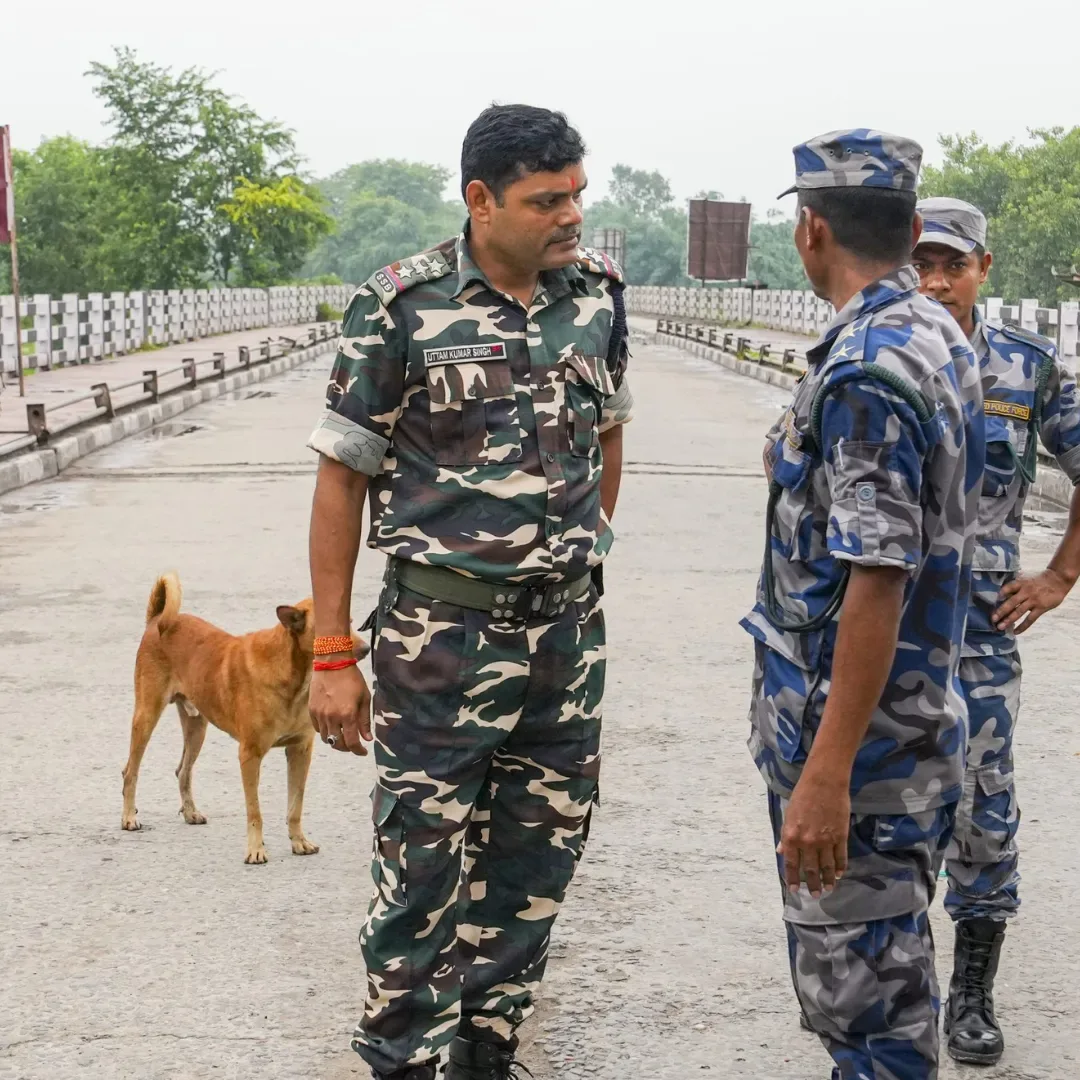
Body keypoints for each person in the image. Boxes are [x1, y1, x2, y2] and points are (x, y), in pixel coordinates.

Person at [304, 104, 633, 1080]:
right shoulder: (401, 306)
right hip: (438, 639)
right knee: (422, 866)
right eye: (546, 200)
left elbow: (609, 433)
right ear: (480, 201)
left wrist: (581, 542)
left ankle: (489, 1048)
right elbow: (341, 478)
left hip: (566, 642)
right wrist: (331, 650)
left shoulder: (597, 300)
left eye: (577, 194)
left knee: (541, 854)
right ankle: (403, 1058)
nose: (569, 216)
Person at [743, 130, 984, 1079]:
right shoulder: (930, 332)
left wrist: (827, 775)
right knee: (884, 985)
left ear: (809, 231)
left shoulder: (864, 372)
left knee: (870, 1018)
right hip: (908, 720)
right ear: (913, 227)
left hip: (866, 745)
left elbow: (877, 579)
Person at [913, 197, 1080, 1065]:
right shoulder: (872, 350)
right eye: (922, 264)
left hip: (980, 628)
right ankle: (897, 984)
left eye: (954, 265)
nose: (937, 283)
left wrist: (1058, 575)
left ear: (984, 267)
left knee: (982, 803)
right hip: (882, 624)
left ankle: (973, 991)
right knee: (884, 804)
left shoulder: (1024, 368)